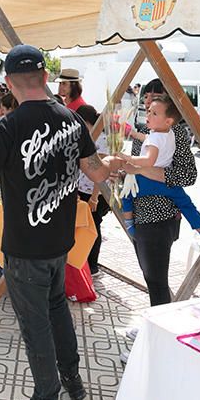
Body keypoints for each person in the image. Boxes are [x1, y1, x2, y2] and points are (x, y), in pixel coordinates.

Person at [0, 44, 122, 400]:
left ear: (8, 83)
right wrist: (113, 161)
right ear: (45, 78)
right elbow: (96, 171)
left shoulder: (7, 128)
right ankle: (72, 383)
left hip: (25, 248)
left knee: (35, 322)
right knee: (56, 309)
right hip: (59, 242)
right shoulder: (73, 122)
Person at [117, 79, 198, 307]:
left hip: (161, 215)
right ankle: (157, 322)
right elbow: (134, 172)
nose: (149, 99)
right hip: (139, 214)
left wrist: (146, 170)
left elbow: (188, 175)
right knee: (150, 275)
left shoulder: (175, 133)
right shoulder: (145, 131)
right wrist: (123, 174)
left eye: (156, 95)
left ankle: (158, 330)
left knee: (156, 278)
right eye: (146, 95)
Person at [119, 97, 200, 245]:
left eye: (154, 113)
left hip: (146, 182)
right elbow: (149, 139)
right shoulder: (168, 134)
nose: (148, 115)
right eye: (148, 111)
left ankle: (129, 223)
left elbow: (149, 161)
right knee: (186, 203)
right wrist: (135, 134)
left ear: (168, 121)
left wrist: (129, 159)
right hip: (167, 184)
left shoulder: (155, 139)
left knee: (127, 194)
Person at [73, 105, 111, 276]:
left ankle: (92, 266)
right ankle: (83, 262)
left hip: (96, 194)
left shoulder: (102, 139)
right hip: (83, 189)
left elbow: (100, 173)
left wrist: (94, 198)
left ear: (86, 121)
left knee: (93, 228)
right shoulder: (87, 136)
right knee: (85, 228)